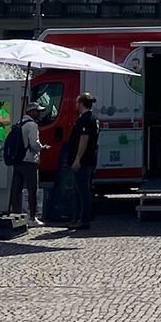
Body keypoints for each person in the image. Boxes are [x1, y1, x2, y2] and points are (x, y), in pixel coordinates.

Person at [64, 93, 100, 230]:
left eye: (77, 102)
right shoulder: (92, 118)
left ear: (81, 104)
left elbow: (84, 140)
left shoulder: (86, 119)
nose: (75, 105)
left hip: (83, 161)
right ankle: (77, 218)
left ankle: (83, 220)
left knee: (82, 191)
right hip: (89, 160)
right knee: (79, 190)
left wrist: (77, 159)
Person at [8, 101, 45, 224]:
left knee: (16, 190)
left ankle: (16, 216)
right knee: (32, 189)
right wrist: (42, 147)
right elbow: (34, 144)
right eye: (38, 111)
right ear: (32, 112)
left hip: (17, 160)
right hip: (29, 161)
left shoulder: (19, 123)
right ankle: (32, 218)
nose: (40, 113)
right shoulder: (32, 125)